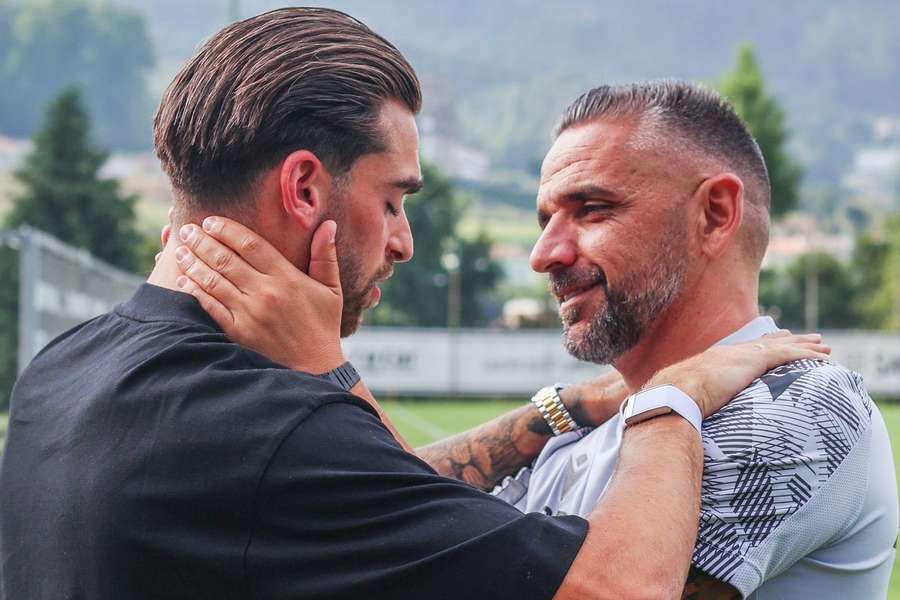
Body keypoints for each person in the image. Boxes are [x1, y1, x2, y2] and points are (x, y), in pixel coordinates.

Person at [0, 8, 830, 600]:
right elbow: (618, 591)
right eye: (394, 200)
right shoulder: (277, 427)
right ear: (303, 187)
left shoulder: (60, 370)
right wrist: (673, 395)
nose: (403, 241)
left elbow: (379, 487)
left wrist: (577, 401)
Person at [169, 81, 897, 599]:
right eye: (546, 216)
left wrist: (323, 366)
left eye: (591, 208)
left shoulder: (795, 407)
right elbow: (411, 516)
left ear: (714, 215)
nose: (545, 253)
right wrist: (568, 408)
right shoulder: (590, 428)